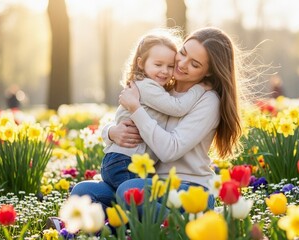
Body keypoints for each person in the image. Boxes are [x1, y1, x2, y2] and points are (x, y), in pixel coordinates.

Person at [70, 26, 252, 215]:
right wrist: (110, 131)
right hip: (150, 185)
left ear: (208, 72)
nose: (182, 64)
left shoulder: (208, 100)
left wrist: (136, 109)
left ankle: (188, 228)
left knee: (129, 192)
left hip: (190, 189)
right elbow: (122, 116)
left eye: (195, 64)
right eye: (183, 53)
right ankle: (126, 228)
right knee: (83, 192)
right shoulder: (163, 88)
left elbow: (169, 150)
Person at [100, 29, 210, 190]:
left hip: (121, 160)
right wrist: (200, 88)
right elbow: (178, 108)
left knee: (126, 197)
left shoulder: (151, 88)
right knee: (131, 197)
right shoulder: (148, 87)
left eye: (170, 66)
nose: (165, 71)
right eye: (158, 65)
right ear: (140, 63)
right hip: (127, 161)